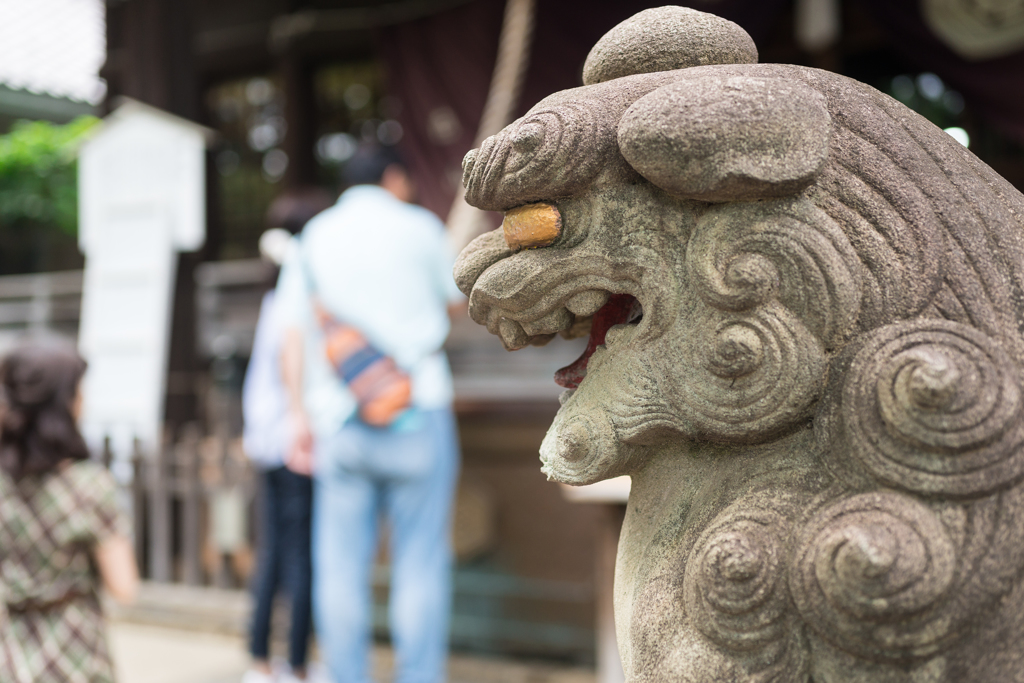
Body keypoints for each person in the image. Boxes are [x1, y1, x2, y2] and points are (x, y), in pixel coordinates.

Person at [275, 145, 463, 683]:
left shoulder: (315, 236)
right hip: (419, 407)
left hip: (339, 416)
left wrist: (297, 417)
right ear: (395, 178)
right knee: (421, 564)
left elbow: (293, 335)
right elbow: (454, 299)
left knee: (339, 570)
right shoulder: (421, 226)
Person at [0, 342, 139, 683]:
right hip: (75, 655)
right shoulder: (90, 487)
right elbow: (124, 587)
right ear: (64, 405)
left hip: (10, 655)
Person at [241, 188, 332, 683]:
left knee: (275, 551)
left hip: (266, 440)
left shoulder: (273, 297)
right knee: (300, 556)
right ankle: (296, 665)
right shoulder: (297, 298)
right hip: (294, 441)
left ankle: (260, 660)